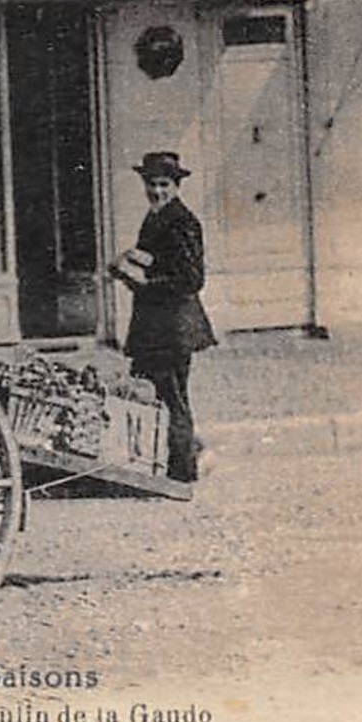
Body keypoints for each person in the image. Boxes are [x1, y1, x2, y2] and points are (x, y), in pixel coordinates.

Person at [111, 151, 217, 483]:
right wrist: (129, 265)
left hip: (173, 326)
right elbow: (160, 262)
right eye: (151, 185)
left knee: (171, 395)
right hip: (154, 325)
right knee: (153, 393)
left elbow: (191, 279)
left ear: (176, 186)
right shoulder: (156, 217)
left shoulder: (183, 221)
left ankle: (183, 471)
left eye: (163, 185)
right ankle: (166, 461)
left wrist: (141, 279)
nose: (157, 191)